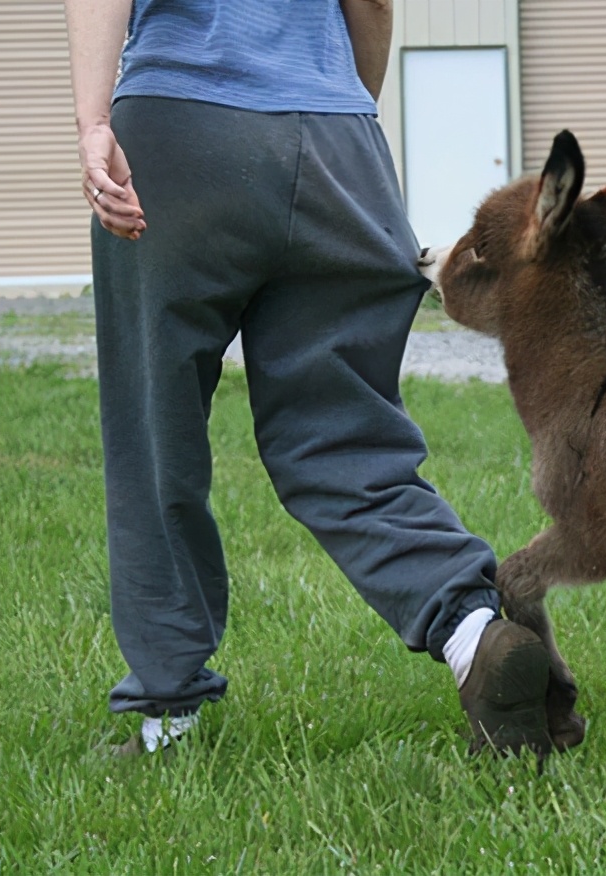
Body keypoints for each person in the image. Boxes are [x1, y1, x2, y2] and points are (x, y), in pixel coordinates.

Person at [62, 0, 552, 758]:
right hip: (336, 133)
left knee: (153, 428)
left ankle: (167, 717)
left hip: (179, 127)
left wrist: (95, 123)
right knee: (344, 435)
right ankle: (472, 632)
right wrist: (343, 112)